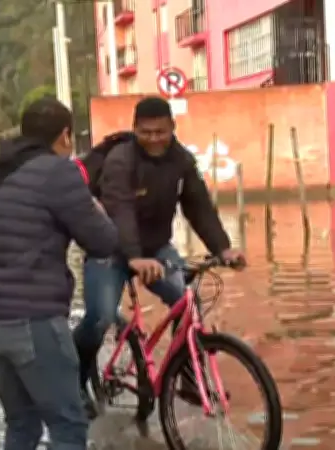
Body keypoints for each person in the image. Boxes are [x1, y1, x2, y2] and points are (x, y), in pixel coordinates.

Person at [74, 96, 245, 413]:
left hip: (155, 248)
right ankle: (77, 376)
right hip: (109, 250)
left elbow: (199, 206)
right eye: (146, 132)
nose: (154, 139)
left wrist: (223, 248)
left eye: (160, 132)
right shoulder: (120, 160)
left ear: (172, 128)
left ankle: (190, 379)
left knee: (186, 304)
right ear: (135, 129)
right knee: (100, 320)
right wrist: (134, 257)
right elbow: (119, 210)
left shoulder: (181, 160)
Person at [0, 97, 118, 450]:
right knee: (67, 425)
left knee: (21, 425)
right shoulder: (57, 171)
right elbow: (102, 242)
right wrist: (95, 207)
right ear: (65, 135)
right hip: (32, 320)